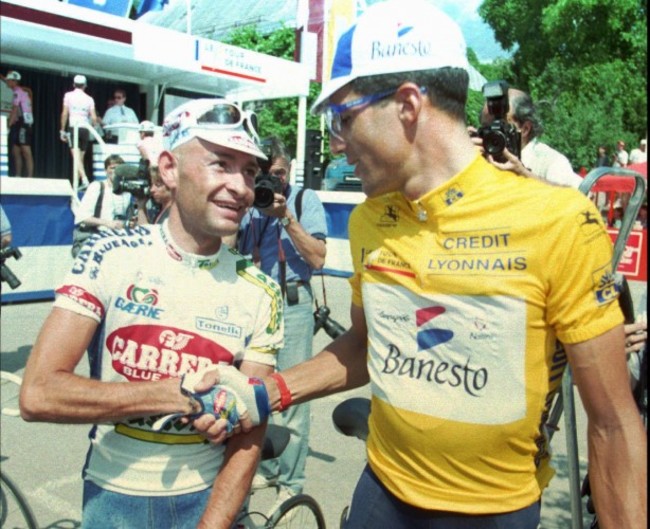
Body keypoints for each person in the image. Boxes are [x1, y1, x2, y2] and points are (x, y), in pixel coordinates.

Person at [193, 2, 647, 528]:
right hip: (379, 499)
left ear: (407, 105)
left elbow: (614, 424)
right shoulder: (369, 220)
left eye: (343, 117)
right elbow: (364, 346)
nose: (337, 143)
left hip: (494, 513)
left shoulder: (559, 219)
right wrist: (261, 394)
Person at [19, 98, 283, 529]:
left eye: (250, 171)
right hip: (112, 497)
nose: (240, 186)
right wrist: (180, 394)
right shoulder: (109, 255)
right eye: (221, 164)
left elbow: (250, 433)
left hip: (207, 497)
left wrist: (212, 524)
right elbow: (38, 393)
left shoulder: (262, 291)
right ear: (168, 169)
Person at [233, 136, 327, 510]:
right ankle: (268, 466)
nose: (272, 185)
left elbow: (318, 258)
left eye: (279, 175)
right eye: (264, 176)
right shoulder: (249, 201)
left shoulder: (305, 200)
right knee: (252, 390)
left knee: (293, 395)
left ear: (289, 170)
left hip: (291, 303)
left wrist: (286, 218)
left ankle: (291, 481)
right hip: (250, 303)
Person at [479, 88, 583, 188]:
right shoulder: (479, 158)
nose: (492, 135)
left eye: (501, 128)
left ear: (525, 129)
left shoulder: (551, 163)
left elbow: (575, 198)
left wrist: (524, 173)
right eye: (486, 128)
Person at [60, 74, 98, 188]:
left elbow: (65, 113)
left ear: (73, 84)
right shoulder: (89, 98)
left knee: (76, 157)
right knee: (79, 158)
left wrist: (62, 130)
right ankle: (75, 185)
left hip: (74, 127)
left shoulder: (68, 95)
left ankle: (84, 179)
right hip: (85, 128)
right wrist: (90, 125)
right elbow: (94, 118)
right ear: (85, 85)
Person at [4, 70, 34, 177]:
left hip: (24, 124)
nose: (7, 82)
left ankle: (30, 177)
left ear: (14, 81)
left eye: (9, 80)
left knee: (26, 150)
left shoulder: (18, 92)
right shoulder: (18, 92)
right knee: (15, 150)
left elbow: (15, 110)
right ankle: (18, 175)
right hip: (19, 123)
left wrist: (8, 125)